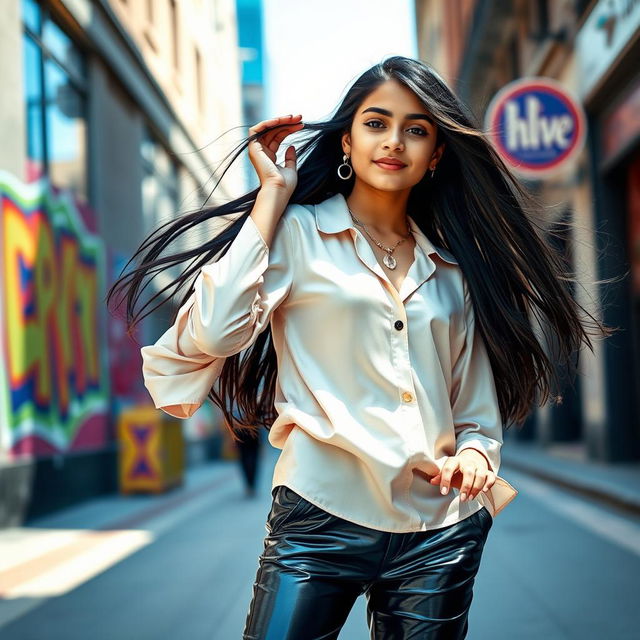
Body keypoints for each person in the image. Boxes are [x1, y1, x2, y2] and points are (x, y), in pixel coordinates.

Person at [107, 56, 614, 639]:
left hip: (439, 528)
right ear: (346, 141)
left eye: (416, 129)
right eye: (376, 123)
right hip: (319, 516)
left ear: (436, 154)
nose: (394, 141)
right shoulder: (295, 234)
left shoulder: (451, 267)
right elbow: (217, 332)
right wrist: (272, 198)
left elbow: (473, 410)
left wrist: (476, 454)